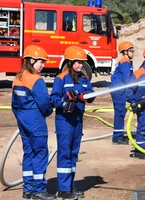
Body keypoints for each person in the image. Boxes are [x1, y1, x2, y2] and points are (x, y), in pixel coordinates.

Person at [11, 45, 56, 200]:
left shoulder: (17, 77)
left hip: (22, 118)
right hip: (35, 120)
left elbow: (14, 104)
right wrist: (50, 110)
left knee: (29, 153)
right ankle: (38, 190)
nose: (43, 65)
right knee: (40, 153)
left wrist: (20, 117)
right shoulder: (36, 80)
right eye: (41, 62)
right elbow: (44, 104)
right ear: (31, 60)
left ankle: (28, 190)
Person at [50, 46, 95, 200]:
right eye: (78, 62)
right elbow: (54, 98)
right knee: (64, 154)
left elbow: (91, 95)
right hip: (65, 122)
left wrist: (85, 96)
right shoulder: (61, 78)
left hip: (77, 121)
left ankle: (70, 186)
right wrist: (65, 103)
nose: (81, 65)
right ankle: (63, 190)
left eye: (82, 62)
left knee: (74, 154)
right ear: (70, 62)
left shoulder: (84, 78)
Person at [110, 41, 135, 145]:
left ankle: (118, 134)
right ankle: (117, 137)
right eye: (131, 51)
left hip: (120, 90)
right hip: (119, 91)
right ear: (125, 52)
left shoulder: (127, 62)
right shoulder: (125, 62)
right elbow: (127, 79)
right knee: (119, 113)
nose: (133, 52)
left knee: (120, 113)